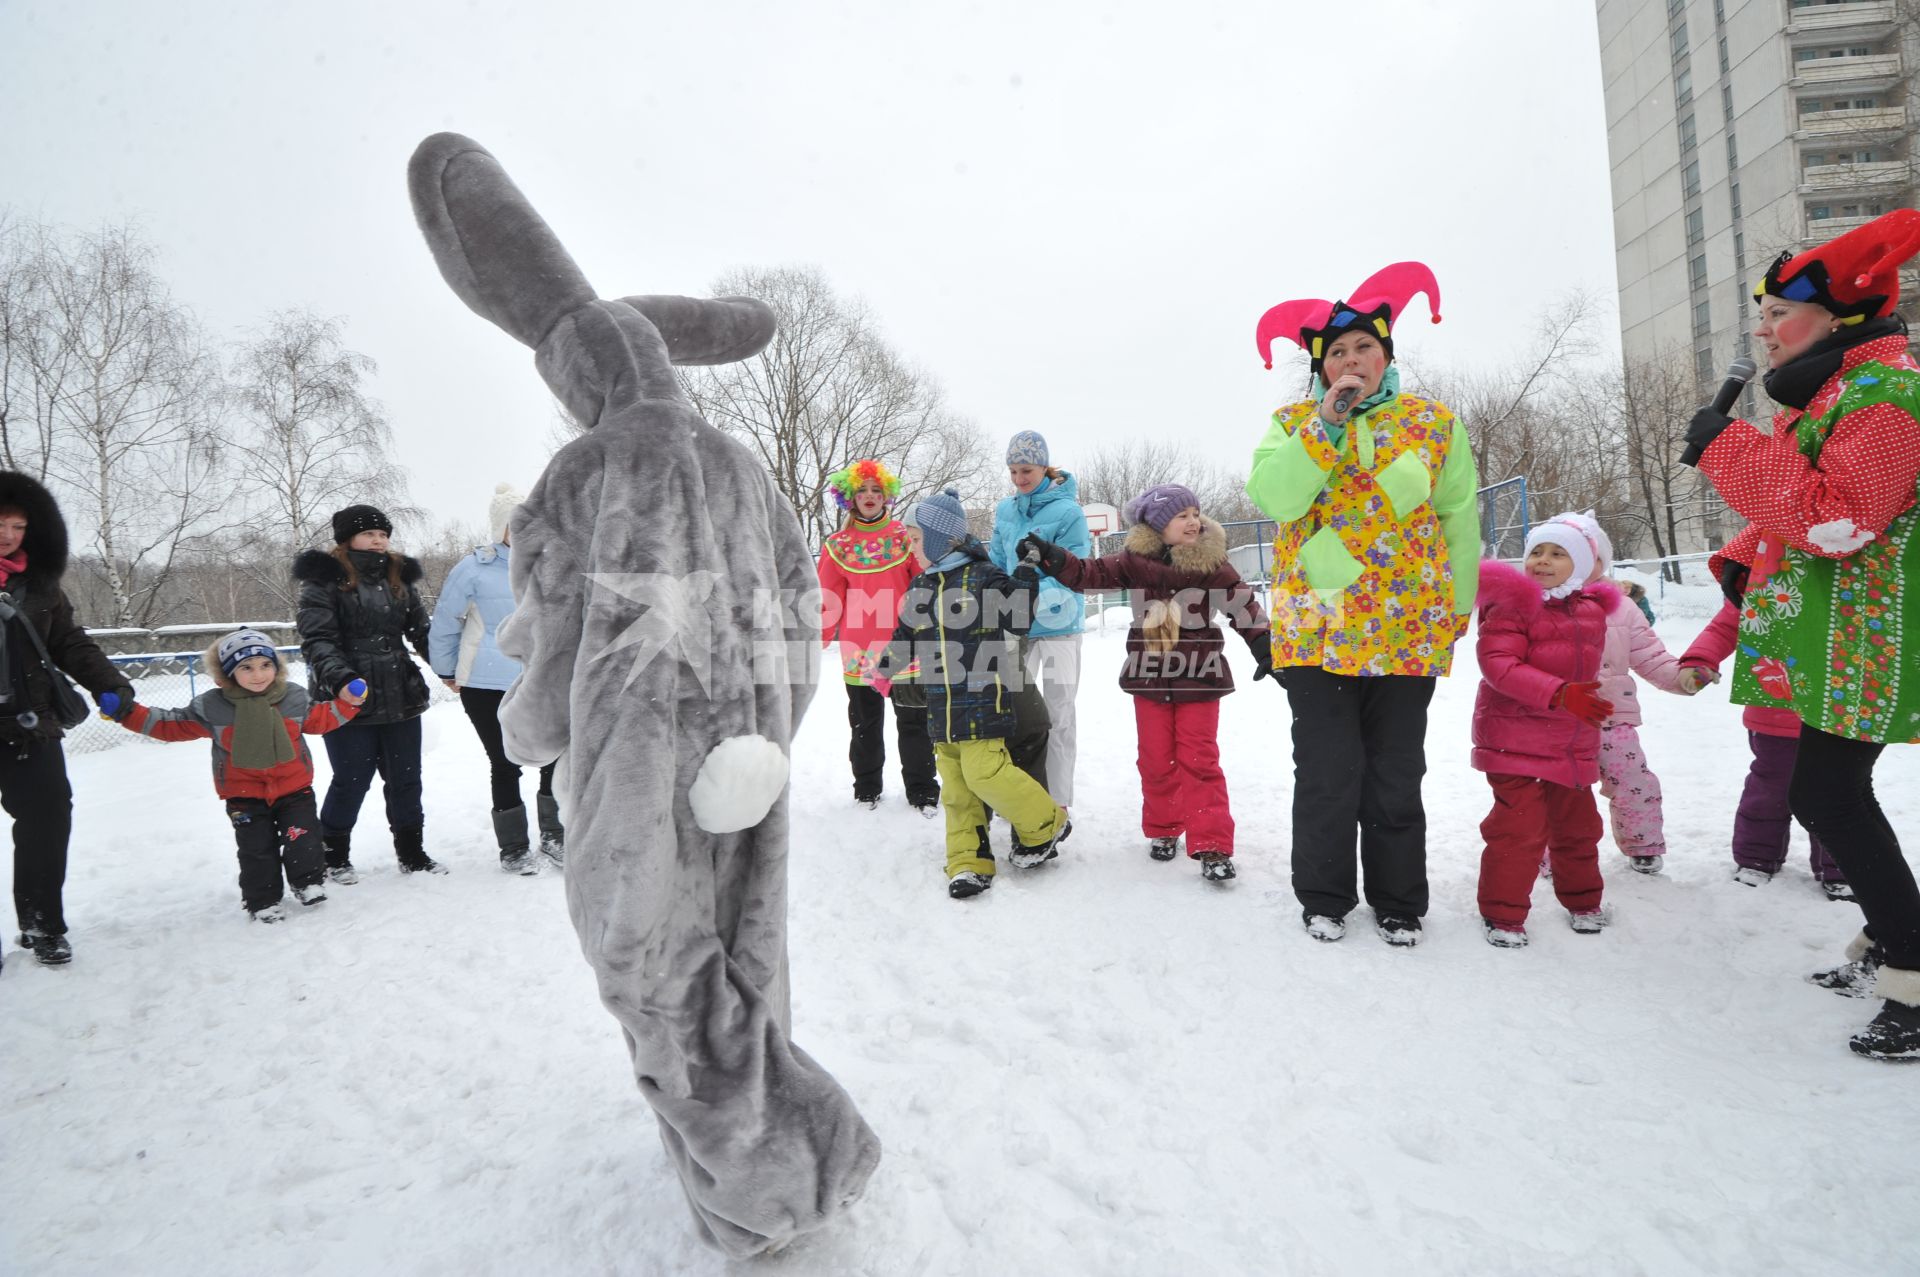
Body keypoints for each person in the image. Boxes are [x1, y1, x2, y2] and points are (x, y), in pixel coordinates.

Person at [1679, 208, 1920, 1058]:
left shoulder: (1885, 397)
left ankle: (1914, 970)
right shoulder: (1835, 394)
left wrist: (1728, 451)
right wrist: (1745, 556)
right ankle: (1896, 943)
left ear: (1840, 317)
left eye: (1779, 313)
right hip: (1837, 634)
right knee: (1828, 793)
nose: (1764, 329)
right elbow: (1803, 507)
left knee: (1828, 796)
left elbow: (1844, 518)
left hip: (1873, 639)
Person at [1248, 261, 1481, 946]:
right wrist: (1324, 423)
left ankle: (1399, 898)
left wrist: (1459, 604)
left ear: (1387, 355)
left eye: (1364, 349)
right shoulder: (1292, 422)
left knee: (1395, 770)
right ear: (1320, 367)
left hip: (1408, 625)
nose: (1351, 361)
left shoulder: (1434, 424)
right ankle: (1323, 894)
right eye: (1337, 353)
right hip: (1316, 627)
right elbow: (1277, 499)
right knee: (1326, 768)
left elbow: (1458, 518)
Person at [1020, 483, 1270, 882]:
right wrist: (1053, 557)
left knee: (1200, 759)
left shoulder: (1212, 562)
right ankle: (1165, 828)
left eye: (1194, 513)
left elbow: (1242, 603)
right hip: (1149, 675)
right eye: (1181, 516)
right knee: (1155, 759)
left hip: (1199, 677)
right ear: (1158, 525)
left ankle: (1211, 844)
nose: (1192, 522)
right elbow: (1090, 574)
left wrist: (1264, 643)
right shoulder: (1134, 560)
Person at [879, 489, 1067, 900]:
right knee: (957, 789)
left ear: (938, 538)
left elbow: (1018, 617)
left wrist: (1028, 570)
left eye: (914, 539)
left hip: (982, 698)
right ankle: (968, 861)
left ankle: (1046, 822)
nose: (910, 548)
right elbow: (906, 635)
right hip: (940, 705)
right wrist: (885, 669)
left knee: (985, 773)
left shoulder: (982, 577)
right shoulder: (921, 586)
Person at [107, 630, 366, 921]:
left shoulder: (292, 697)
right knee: (257, 850)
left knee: (303, 839)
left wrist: (349, 703)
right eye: (246, 667)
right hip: (245, 796)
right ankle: (263, 900)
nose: (258, 675)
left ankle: (307, 882)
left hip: (294, 788)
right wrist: (127, 713)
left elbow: (321, 719)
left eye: (265, 665)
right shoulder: (213, 706)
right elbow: (172, 724)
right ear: (229, 672)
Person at [0, 472, 134, 967]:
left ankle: (42, 924)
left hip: (29, 726)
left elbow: (70, 642)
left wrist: (110, 684)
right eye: (0, 524)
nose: (8, 534)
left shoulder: (41, 585)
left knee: (47, 823)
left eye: (18, 525)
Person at [1470, 516, 1618, 948]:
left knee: (1579, 827)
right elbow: (1498, 664)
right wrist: (1558, 694)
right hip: (1514, 738)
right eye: (1536, 551)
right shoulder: (1512, 603)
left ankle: (1584, 901)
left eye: (1558, 553)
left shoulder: (1591, 608)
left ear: (1583, 564)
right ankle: (1503, 914)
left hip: (1572, 740)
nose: (1543, 561)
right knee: (1519, 830)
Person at [293, 504, 443, 880]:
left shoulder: (399, 577)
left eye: (383, 534)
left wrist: (449, 664)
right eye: (369, 534)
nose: (378, 541)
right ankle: (333, 855)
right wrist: (342, 680)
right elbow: (317, 639)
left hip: (400, 693)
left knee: (406, 778)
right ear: (347, 539)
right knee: (352, 779)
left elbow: (421, 631)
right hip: (347, 701)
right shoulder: (323, 580)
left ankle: (412, 853)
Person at [429, 483, 564, 874]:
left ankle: (555, 835)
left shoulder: (551, 565)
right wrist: (447, 669)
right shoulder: (473, 568)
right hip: (486, 684)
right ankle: (514, 847)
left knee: (552, 757)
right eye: (513, 524)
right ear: (499, 527)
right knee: (504, 763)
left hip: (539, 679)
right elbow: (445, 621)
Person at [1680, 590, 1849, 899]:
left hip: (1839, 709)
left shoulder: (1853, 571)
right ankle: (1757, 857)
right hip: (1776, 708)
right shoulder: (1767, 578)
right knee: (1770, 788)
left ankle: (1842, 866)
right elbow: (1725, 626)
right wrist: (1701, 660)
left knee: (1837, 791)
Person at [1581, 516, 1711, 877]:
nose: (1574, 563)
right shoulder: (1538, 604)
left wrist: (1684, 677)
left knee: (1634, 781)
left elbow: (1651, 657)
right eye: (1563, 553)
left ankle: (1641, 843)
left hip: (1611, 717)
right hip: (1553, 719)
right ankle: (1550, 851)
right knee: (1557, 791)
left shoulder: (1621, 608)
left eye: (1587, 555)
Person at [814, 460, 938, 816]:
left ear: (887, 496)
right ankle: (866, 788)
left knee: (913, 721)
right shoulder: (837, 545)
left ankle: (923, 790)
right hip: (858, 648)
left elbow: (925, 585)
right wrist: (820, 634)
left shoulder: (904, 537)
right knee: (865, 723)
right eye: (862, 491)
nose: (869, 496)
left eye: (876, 490)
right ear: (848, 498)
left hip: (905, 645)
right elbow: (828, 595)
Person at [987, 431, 1089, 813]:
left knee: (1059, 714)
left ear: (1045, 466)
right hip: (1016, 627)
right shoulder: (1006, 510)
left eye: (1026, 470)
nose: (1018, 478)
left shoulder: (1068, 513)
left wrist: (1029, 601)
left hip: (1060, 628)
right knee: (1012, 711)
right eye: (1012, 471)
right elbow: (996, 561)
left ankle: (1057, 799)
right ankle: (1020, 794)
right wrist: (998, 599)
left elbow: (1073, 571)